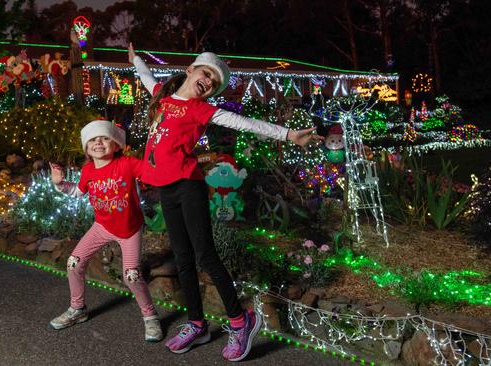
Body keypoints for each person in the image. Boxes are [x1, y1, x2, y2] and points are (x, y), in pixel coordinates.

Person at [128, 43, 323, 361]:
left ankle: (240, 321)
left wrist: (289, 135)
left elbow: (247, 124)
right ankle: (196, 324)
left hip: (188, 186)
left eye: (214, 83)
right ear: (191, 70)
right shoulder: (162, 97)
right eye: (206, 73)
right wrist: (135, 59)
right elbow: (147, 77)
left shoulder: (201, 110)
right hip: (165, 188)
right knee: (182, 257)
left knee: (205, 255)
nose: (208, 81)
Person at [48, 120, 163, 343]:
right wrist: (60, 183)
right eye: (92, 139)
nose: (98, 142)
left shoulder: (128, 164)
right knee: (73, 263)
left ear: (116, 144)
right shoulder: (88, 170)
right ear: (86, 148)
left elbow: (152, 174)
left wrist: (157, 155)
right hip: (102, 226)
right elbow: (78, 192)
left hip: (129, 229)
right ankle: (77, 309)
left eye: (104, 138)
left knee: (132, 276)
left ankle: (150, 316)